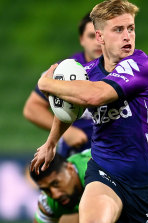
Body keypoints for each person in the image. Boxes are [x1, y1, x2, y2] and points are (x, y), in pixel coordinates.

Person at [30, 1, 148, 222]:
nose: (127, 36)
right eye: (118, 29)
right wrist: (51, 143)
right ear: (100, 37)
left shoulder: (141, 65)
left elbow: (95, 95)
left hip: (146, 183)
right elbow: (70, 109)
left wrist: (47, 84)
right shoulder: (88, 73)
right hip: (104, 170)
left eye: (130, 28)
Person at [23, 13, 102, 158]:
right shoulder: (63, 70)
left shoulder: (123, 70)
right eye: (92, 36)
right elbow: (32, 108)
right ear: (81, 39)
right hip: (75, 155)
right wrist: (69, 132)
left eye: (101, 37)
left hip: (113, 152)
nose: (97, 42)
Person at [30, 149, 91, 223]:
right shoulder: (48, 202)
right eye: (46, 189)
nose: (55, 195)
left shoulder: (96, 175)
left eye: (56, 183)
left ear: (70, 169)